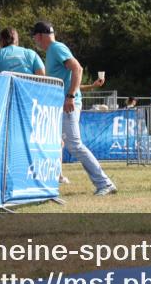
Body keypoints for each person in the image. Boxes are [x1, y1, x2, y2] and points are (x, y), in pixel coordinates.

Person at [31, 21, 117, 196]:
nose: (35, 41)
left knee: (74, 144)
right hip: (63, 104)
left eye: (34, 37)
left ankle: (105, 183)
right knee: (61, 143)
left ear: (39, 36)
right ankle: (47, 179)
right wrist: (88, 88)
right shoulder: (53, 51)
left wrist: (70, 96)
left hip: (67, 104)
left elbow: (77, 68)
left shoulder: (56, 48)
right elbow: (70, 79)